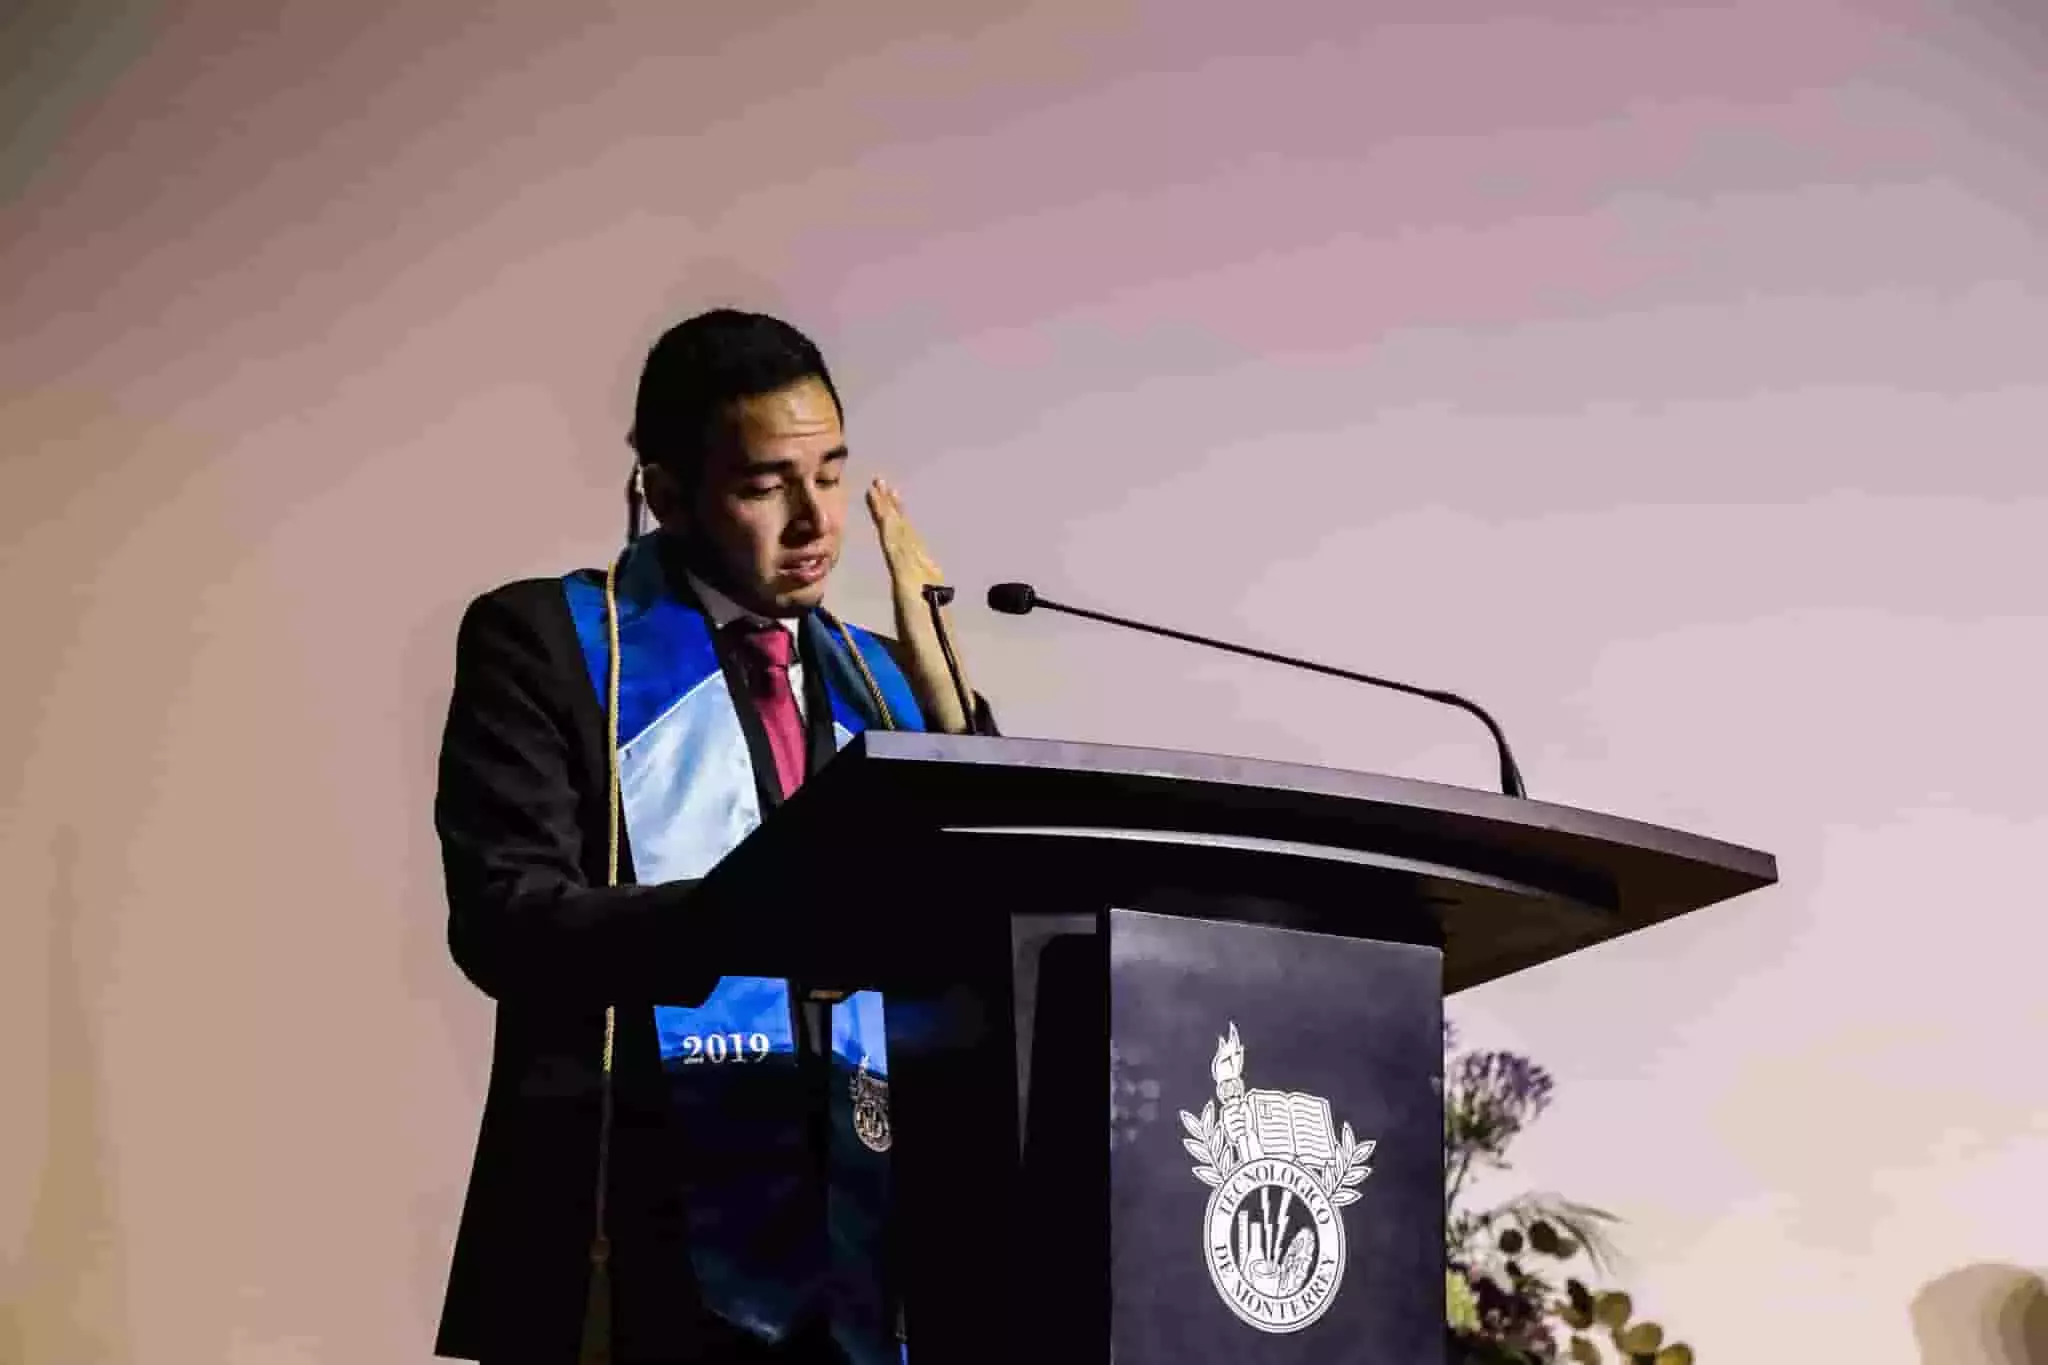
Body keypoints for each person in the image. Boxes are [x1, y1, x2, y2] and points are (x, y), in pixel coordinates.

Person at [430, 309, 994, 1365]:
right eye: (762, 485)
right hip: (634, 1220)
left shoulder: (881, 681)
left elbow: (987, 930)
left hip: (865, 1247)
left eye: (829, 474)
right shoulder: (551, 646)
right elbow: (504, 919)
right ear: (666, 492)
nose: (812, 521)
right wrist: (757, 921)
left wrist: (948, 703)